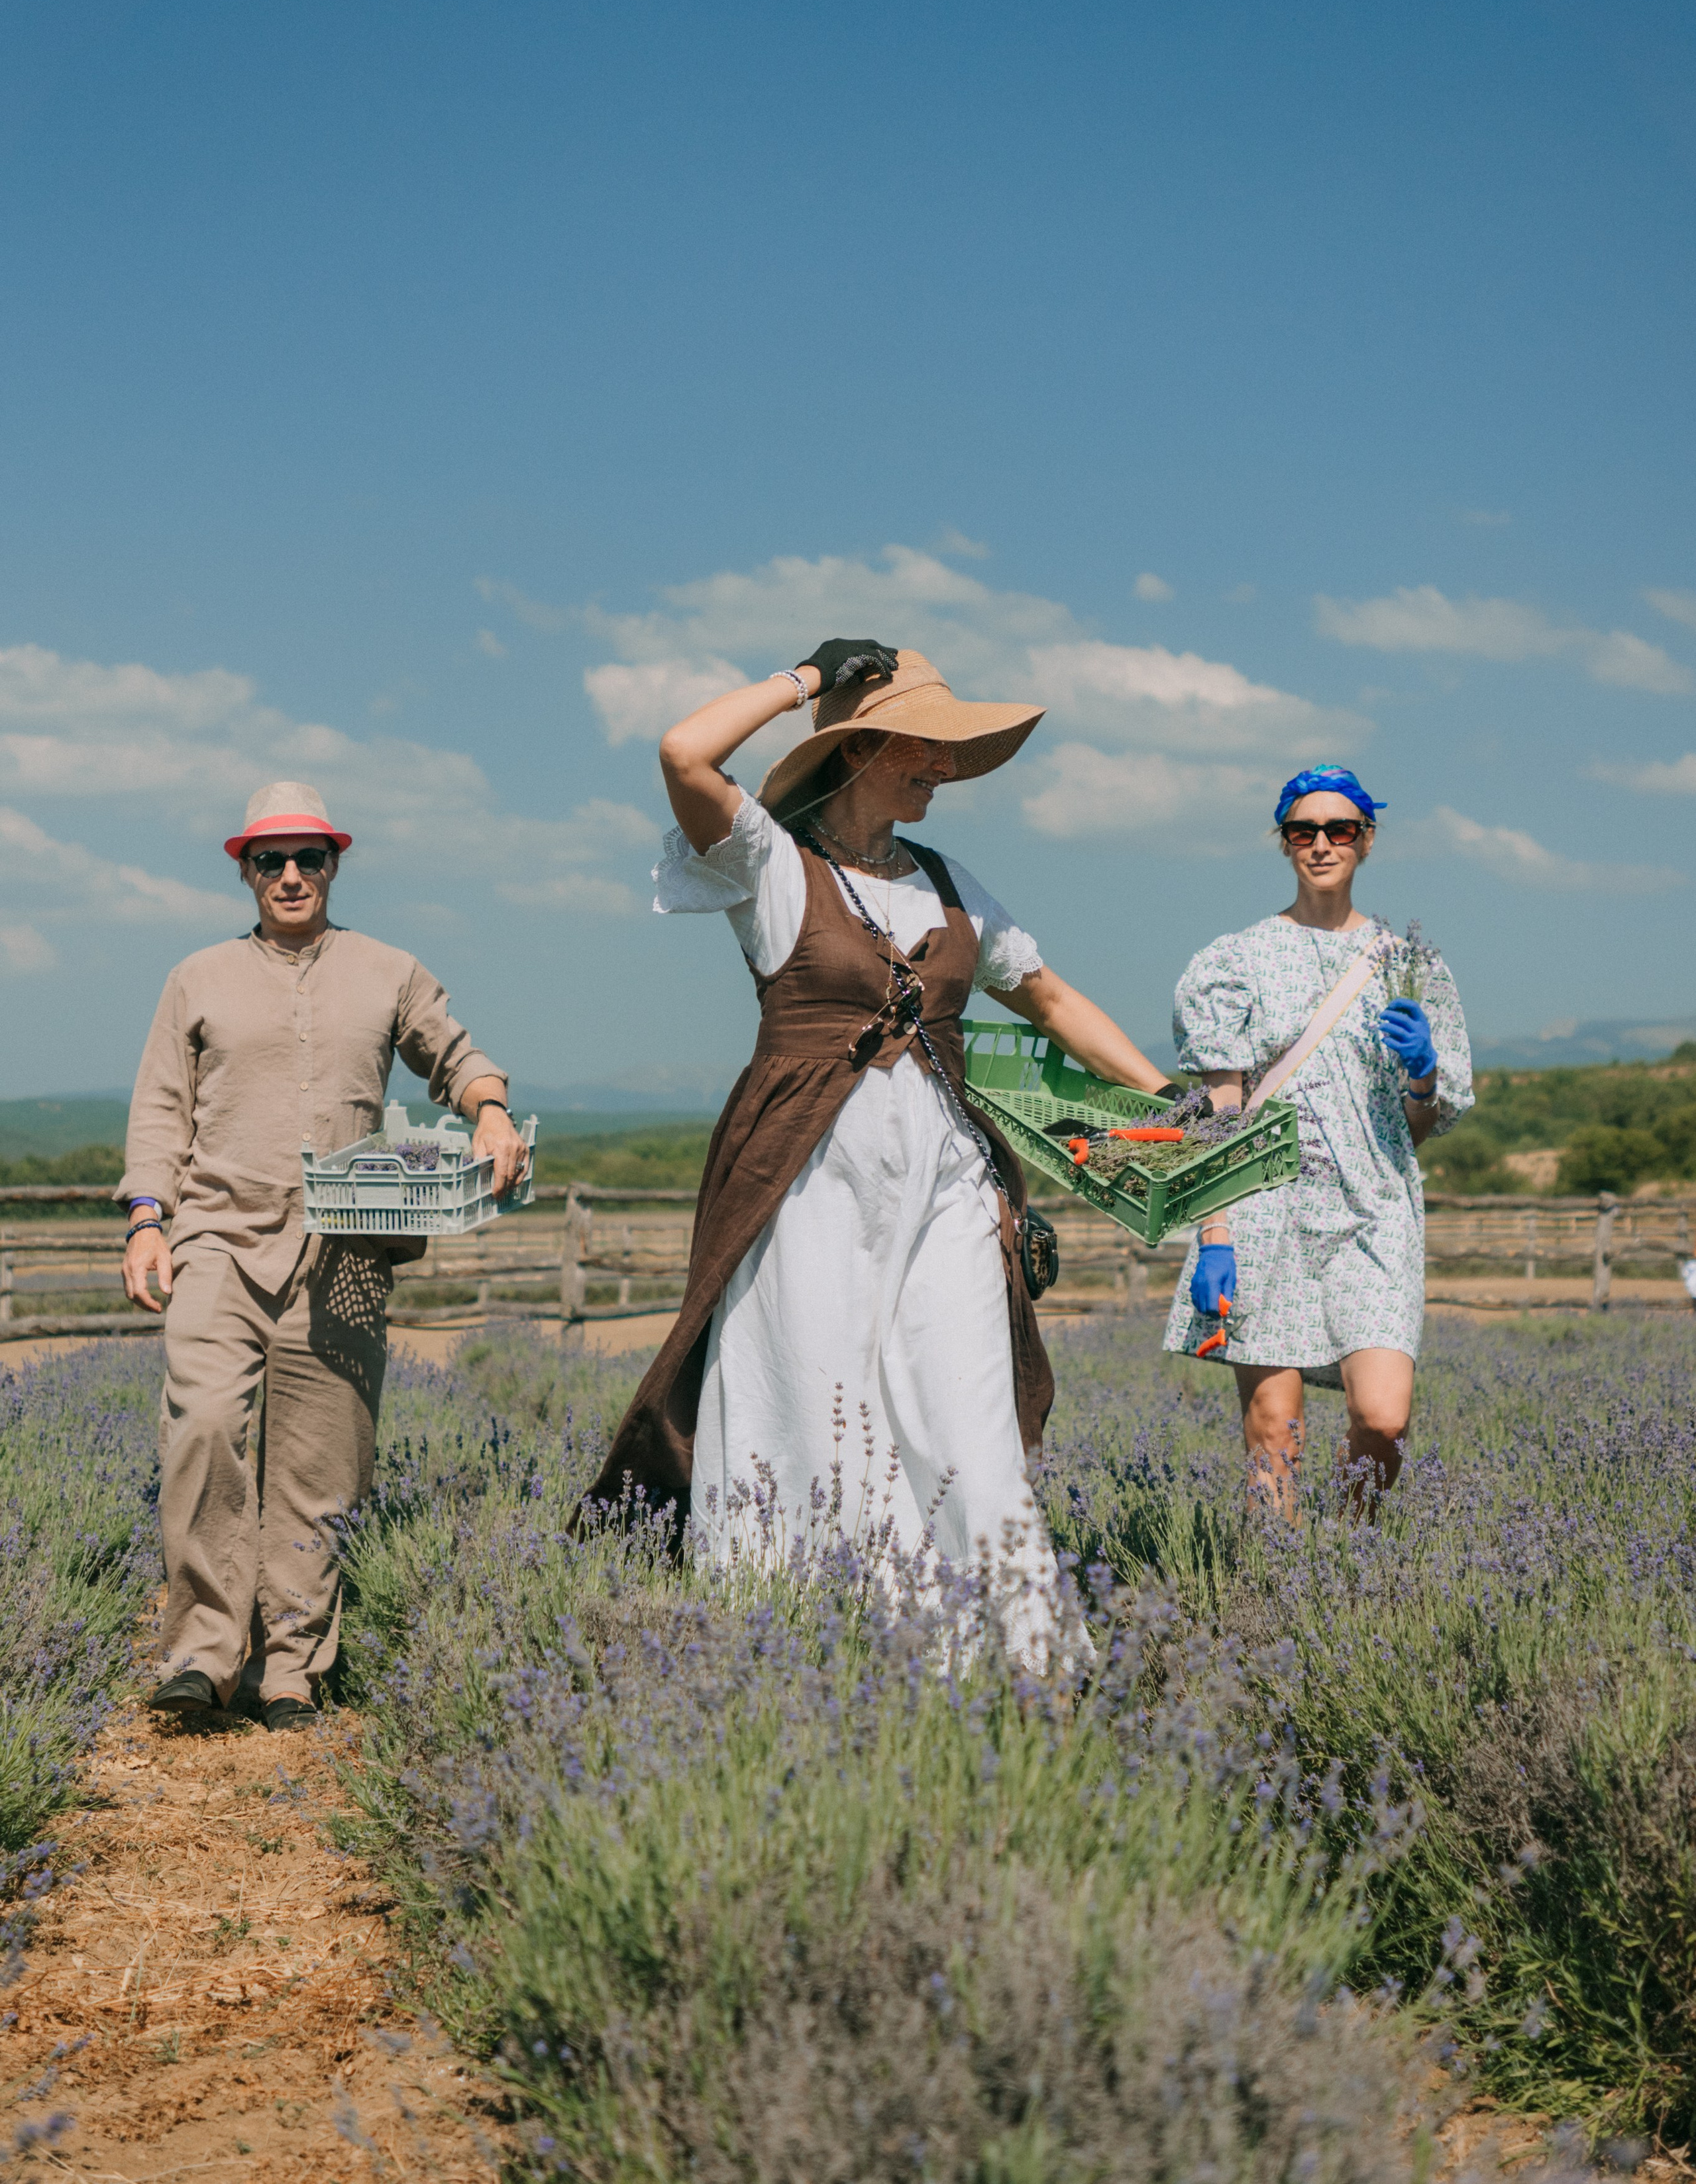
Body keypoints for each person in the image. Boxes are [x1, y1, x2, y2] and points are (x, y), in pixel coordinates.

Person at [586, 642, 1168, 1645]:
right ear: (864, 748)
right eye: (926, 748)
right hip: (806, 1176)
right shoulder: (773, 865)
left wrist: (1172, 1097)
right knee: (813, 1399)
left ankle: (1011, 1648)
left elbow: (1053, 999)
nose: (943, 769)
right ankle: (814, 1636)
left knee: (969, 1409)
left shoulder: (953, 884)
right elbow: (685, 753)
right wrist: (805, 679)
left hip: (948, 1177)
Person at [120, 781, 527, 1730]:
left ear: (336, 864)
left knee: (320, 1460)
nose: (293, 875)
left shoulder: (389, 970)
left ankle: (293, 1667)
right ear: (245, 869)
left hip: (345, 1241)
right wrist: (147, 1217)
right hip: (216, 1235)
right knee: (206, 1426)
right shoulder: (198, 977)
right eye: (272, 860)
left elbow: (457, 1055)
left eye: (311, 858)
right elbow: (158, 1108)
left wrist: (492, 1110)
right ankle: (205, 1655)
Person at [1161, 765, 1473, 1510]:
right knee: (1274, 1425)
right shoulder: (1232, 961)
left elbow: (1418, 1129)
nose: (1323, 844)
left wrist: (1423, 1076)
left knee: (1383, 1418)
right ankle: (1281, 1588)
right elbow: (1220, 1113)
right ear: (1284, 843)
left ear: (1366, 841)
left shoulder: (1411, 966)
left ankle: (1347, 1559)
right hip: (1265, 1205)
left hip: (1373, 1211)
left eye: (1342, 830)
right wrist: (1215, 1236)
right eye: (1305, 831)